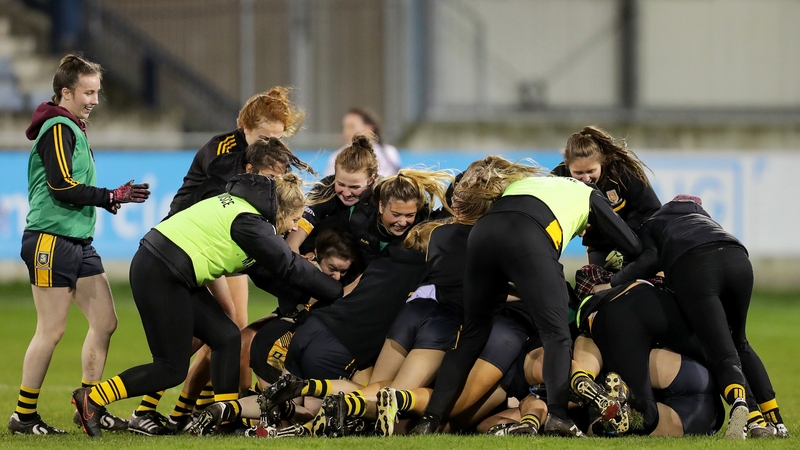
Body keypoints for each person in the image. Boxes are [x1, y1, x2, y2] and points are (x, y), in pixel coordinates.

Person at [71, 172, 343, 438]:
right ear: (282, 210)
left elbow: (264, 272)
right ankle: (92, 398)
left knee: (226, 336)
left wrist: (298, 300)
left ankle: (225, 420)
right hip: (163, 273)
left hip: (166, 269)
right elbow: (289, 267)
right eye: (295, 219)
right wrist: (336, 292)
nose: (295, 227)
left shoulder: (246, 210)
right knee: (170, 368)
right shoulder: (252, 222)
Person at [411, 155, 642, 437]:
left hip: (483, 234)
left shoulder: (531, 184)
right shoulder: (589, 194)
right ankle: (557, 416)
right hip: (529, 237)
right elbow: (631, 243)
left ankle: (429, 420)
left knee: (471, 336)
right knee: (556, 335)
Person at [126, 138, 317, 436]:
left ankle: (199, 411)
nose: (275, 184)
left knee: (223, 331)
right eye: (271, 177)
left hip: (217, 254)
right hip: (194, 253)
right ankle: (174, 409)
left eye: (279, 177)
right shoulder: (231, 188)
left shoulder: (253, 192)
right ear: (251, 168)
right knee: (217, 327)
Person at [9, 54, 151, 435]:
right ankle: (24, 416)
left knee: (105, 322)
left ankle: (89, 404)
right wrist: (107, 196)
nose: (95, 100)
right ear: (66, 92)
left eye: (97, 92)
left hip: (76, 241)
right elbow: (61, 185)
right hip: (49, 240)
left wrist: (108, 197)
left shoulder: (73, 125)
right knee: (51, 330)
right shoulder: (58, 126)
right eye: (88, 92)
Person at [609, 194, 788, 439]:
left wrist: (614, 281)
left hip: (695, 266)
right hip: (738, 259)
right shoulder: (703, 218)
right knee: (740, 342)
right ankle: (775, 421)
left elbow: (651, 259)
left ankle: (743, 409)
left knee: (719, 349)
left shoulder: (654, 223)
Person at [551, 126, 661, 268]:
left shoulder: (624, 171)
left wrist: (632, 246)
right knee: (599, 287)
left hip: (636, 240)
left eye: (591, 171)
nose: (586, 178)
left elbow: (652, 210)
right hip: (598, 245)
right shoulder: (557, 179)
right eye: (578, 173)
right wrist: (577, 224)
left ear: (602, 163)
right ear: (567, 166)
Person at [324, 108, 400, 177]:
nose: (346, 132)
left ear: (368, 128)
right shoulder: (336, 157)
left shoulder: (389, 153)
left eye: (351, 127)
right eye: (344, 127)